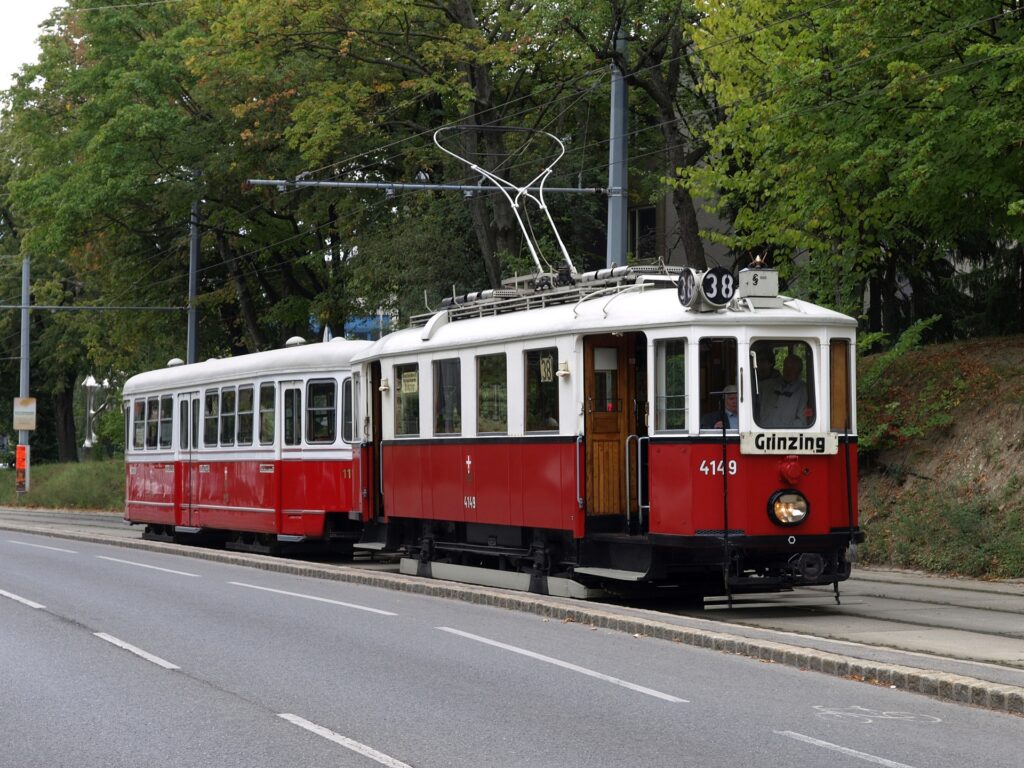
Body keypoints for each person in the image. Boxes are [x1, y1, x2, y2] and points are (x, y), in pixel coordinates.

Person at [760, 354, 809, 428]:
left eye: (792, 368)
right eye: (786, 367)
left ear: (799, 371)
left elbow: (802, 422)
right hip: (760, 431)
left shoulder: (803, 390)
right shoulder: (768, 385)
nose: (788, 371)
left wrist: (781, 429)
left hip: (785, 435)